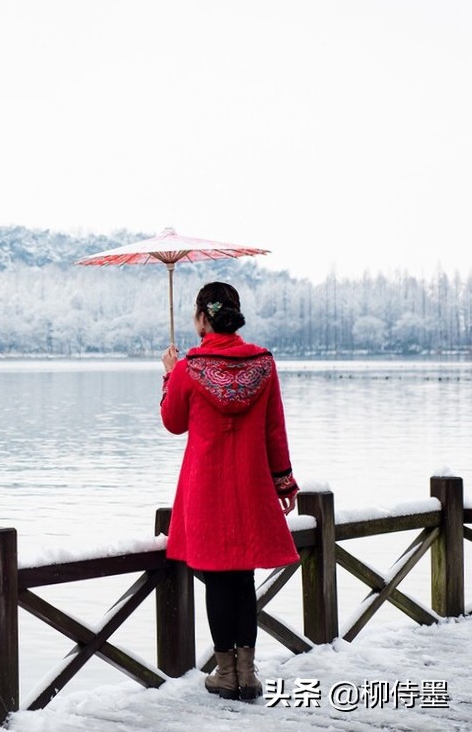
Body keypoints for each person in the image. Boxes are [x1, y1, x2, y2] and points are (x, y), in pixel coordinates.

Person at [160, 281, 299, 702]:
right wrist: (284, 481)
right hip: (252, 486)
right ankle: (248, 674)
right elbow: (275, 428)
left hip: (206, 489)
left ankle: (225, 673)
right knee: (242, 579)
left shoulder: (189, 368)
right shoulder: (263, 364)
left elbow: (173, 422)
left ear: (203, 318)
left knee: (217, 581)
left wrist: (169, 374)